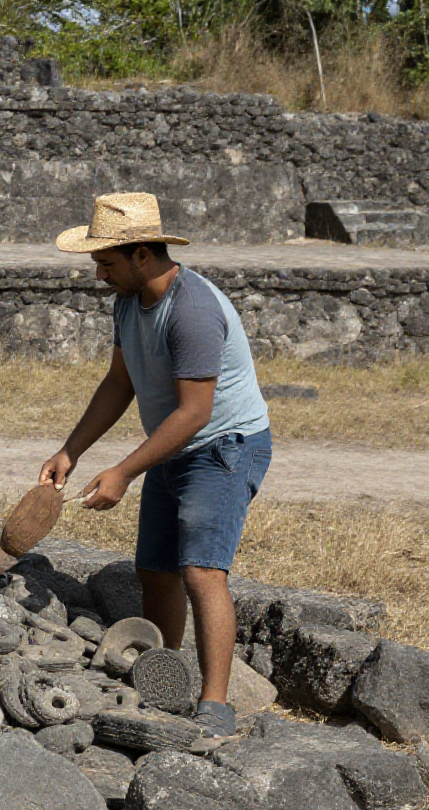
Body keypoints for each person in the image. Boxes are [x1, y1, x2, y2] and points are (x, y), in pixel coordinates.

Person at [38, 192, 272, 738]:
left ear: (143, 254)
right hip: (174, 444)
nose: (98, 274)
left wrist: (123, 471)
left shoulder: (191, 310)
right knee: (155, 569)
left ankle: (215, 704)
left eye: (106, 262)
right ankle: (165, 678)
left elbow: (195, 412)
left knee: (202, 570)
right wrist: (72, 450)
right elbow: (119, 383)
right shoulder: (128, 300)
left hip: (223, 445)